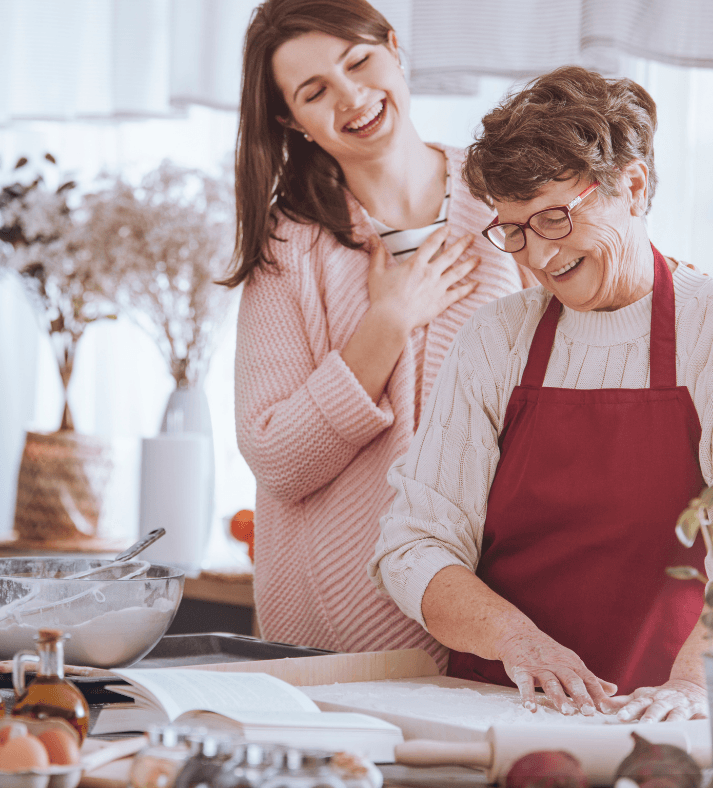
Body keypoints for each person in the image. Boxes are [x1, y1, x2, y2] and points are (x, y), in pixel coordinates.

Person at [370, 65, 713, 720]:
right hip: (499, 710)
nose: (536, 257)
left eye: (554, 218)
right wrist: (517, 641)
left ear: (632, 186)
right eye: (514, 229)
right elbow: (414, 545)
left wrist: (693, 689)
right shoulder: (493, 340)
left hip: (663, 716)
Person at [223, 0, 529, 664]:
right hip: (340, 636)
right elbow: (277, 460)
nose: (351, 96)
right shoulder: (287, 249)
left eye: (359, 61)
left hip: (509, 608)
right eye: (314, 92)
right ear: (291, 121)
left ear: (393, 46)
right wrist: (387, 322)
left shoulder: (510, 196)